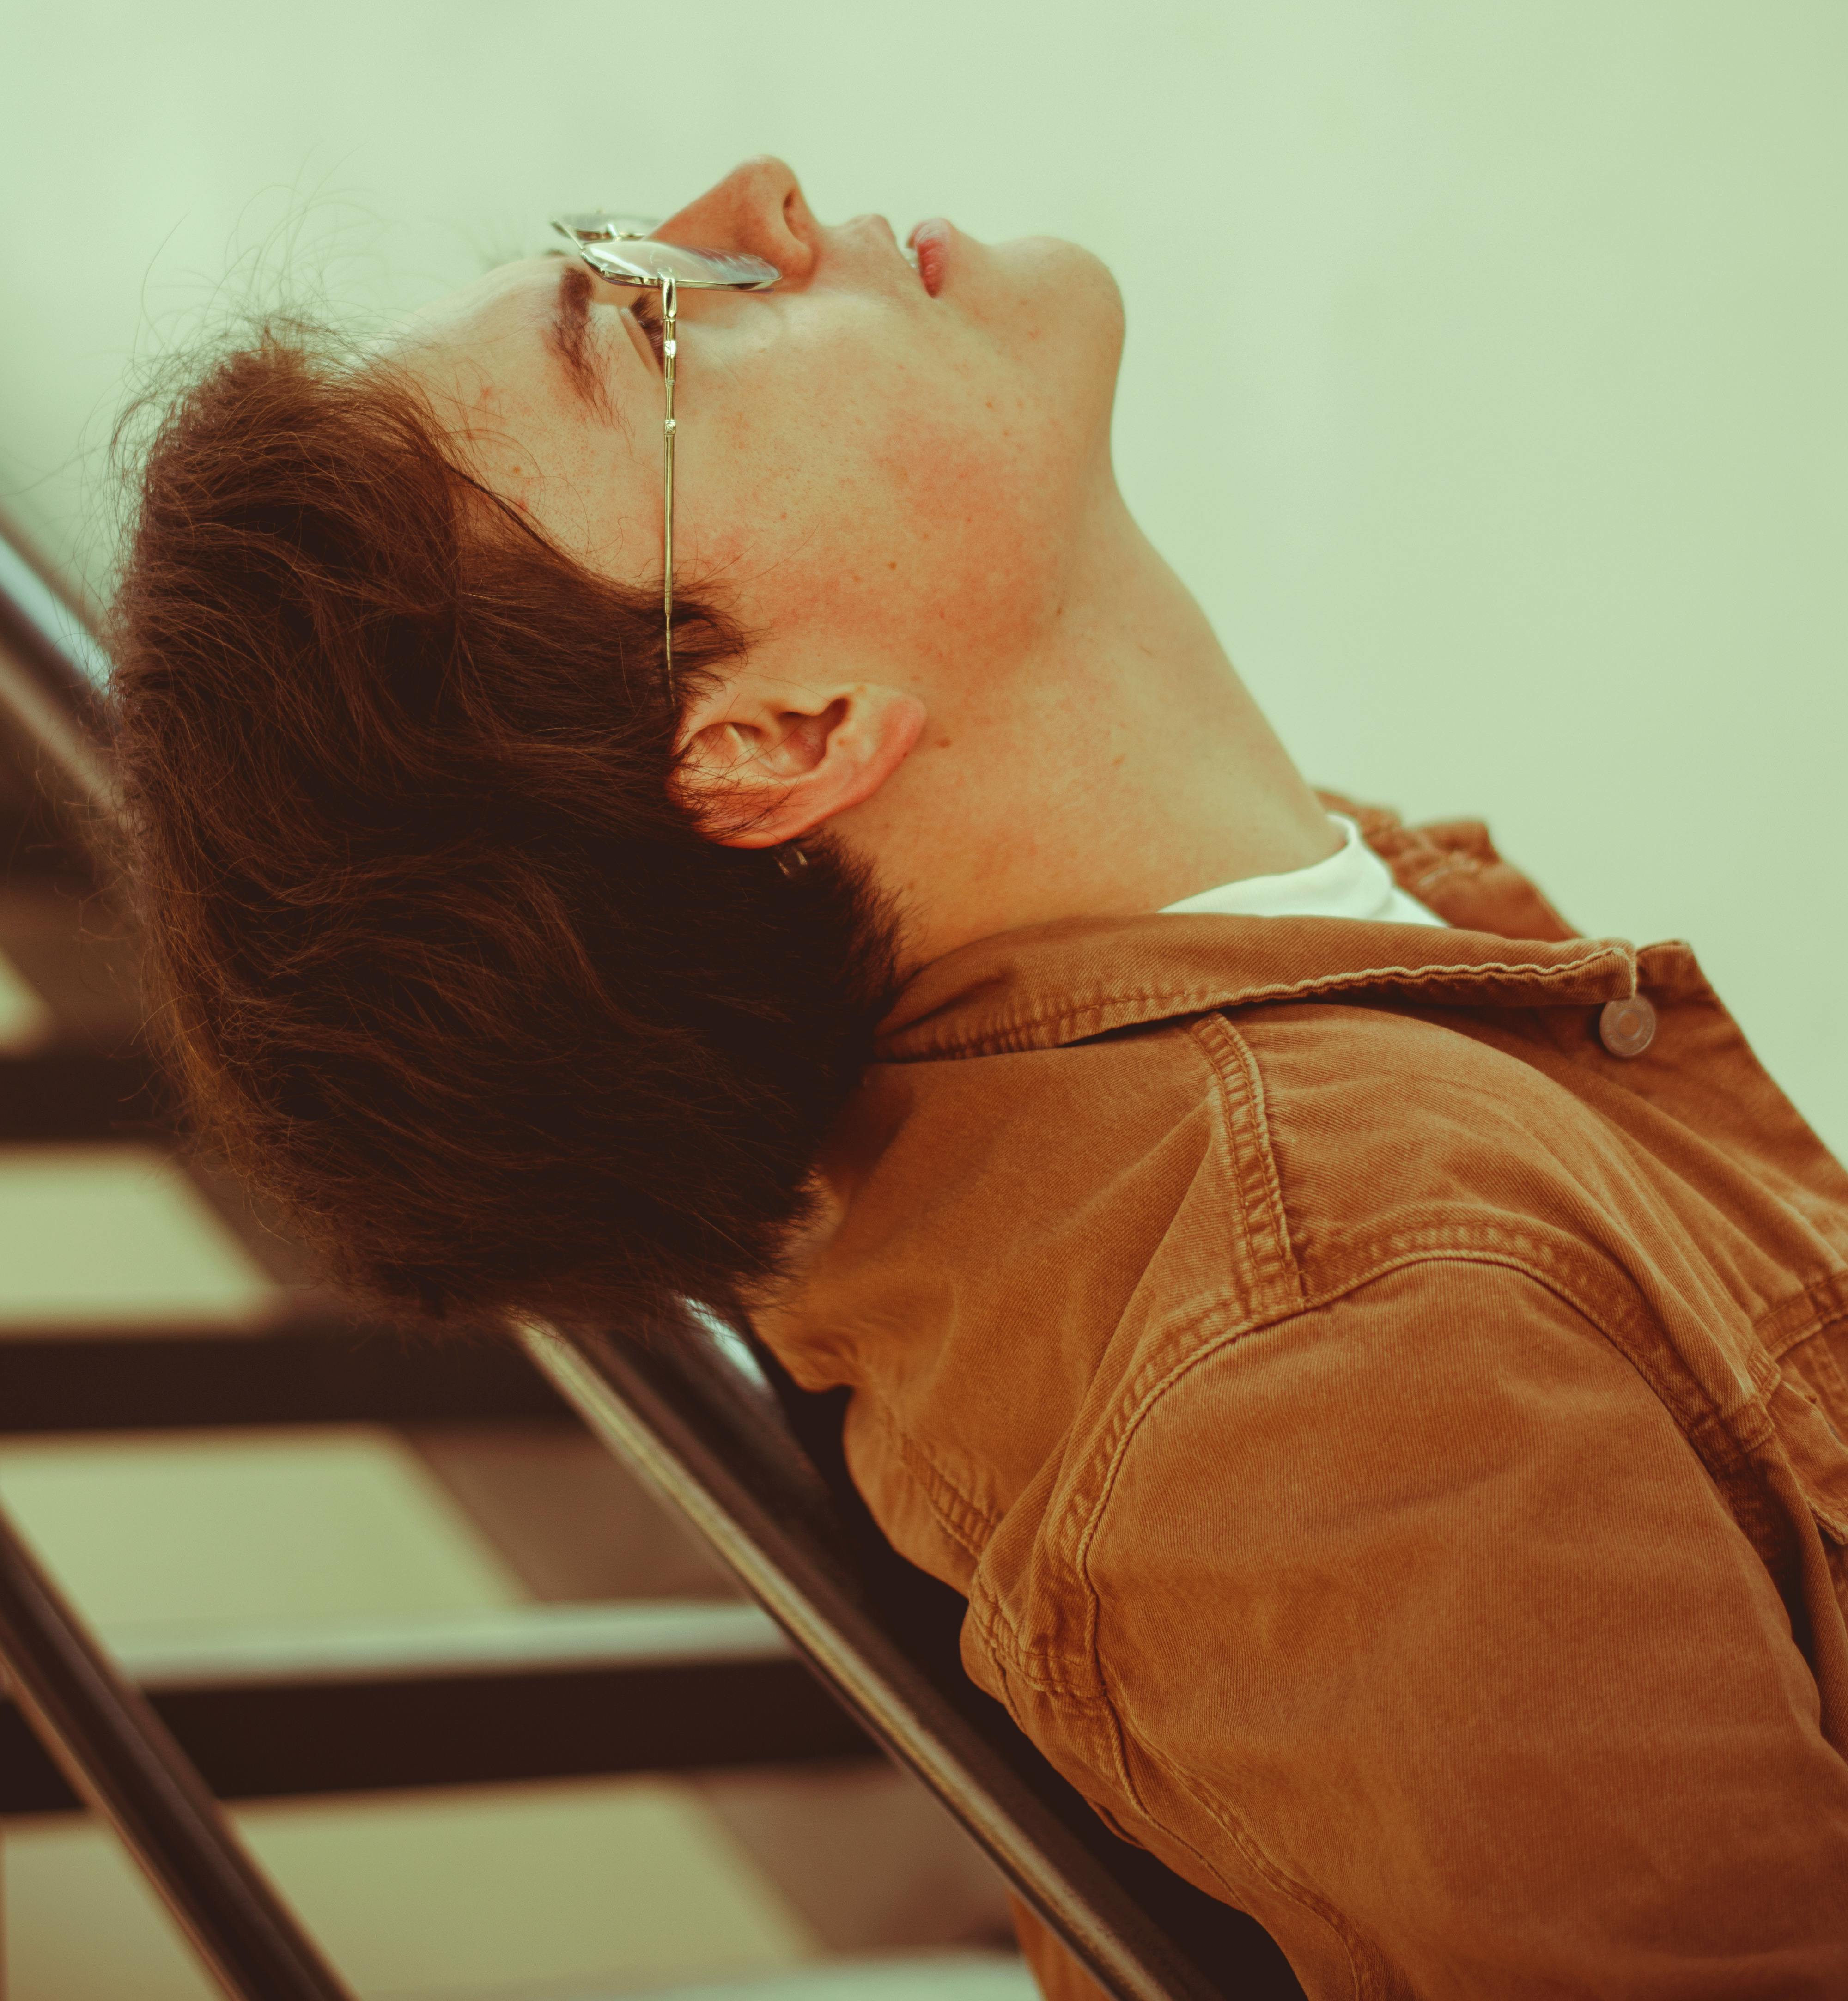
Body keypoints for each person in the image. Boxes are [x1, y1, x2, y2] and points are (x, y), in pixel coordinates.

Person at [111, 161, 1848, 1995]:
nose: (756, 200)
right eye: (642, 307)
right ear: (780, 739)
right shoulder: (1308, 1334)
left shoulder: (1318, 1070)